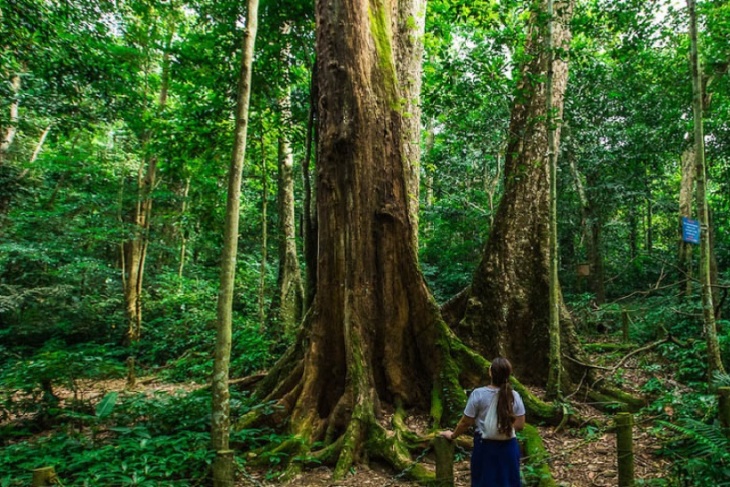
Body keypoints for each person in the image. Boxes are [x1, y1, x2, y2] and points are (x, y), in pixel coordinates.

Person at [440, 357, 526, 487]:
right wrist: (502, 429)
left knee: (484, 482)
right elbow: (520, 424)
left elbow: (465, 422)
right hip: (508, 448)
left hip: (485, 448)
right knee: (508, 482)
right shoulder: (514, 396)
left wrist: (452, 435)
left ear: (490, 372)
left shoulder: (478, 394)